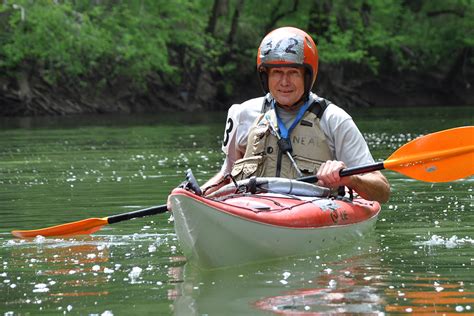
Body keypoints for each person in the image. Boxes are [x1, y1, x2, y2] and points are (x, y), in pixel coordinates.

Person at [201, 26, 390, 203]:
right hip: (251, 211)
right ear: (266, 76)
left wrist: (351, 179)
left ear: (307, 77)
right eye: (276, 72)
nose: (284, 81)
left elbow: (382, 191)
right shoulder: (242, 114)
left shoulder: (334, 120)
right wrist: (193, 195)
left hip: (313, 214)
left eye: (293, 72)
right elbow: (226, 175)